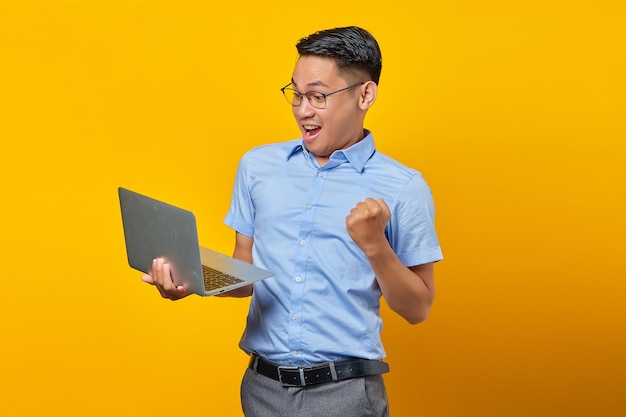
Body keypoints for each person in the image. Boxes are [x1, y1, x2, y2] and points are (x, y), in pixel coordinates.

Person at [143, 26, 443, 417]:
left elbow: (417, 308)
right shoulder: (257, 166)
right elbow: (246, 275)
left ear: (365, 95)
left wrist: (374, 245)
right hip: (262, 389)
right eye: (297, 94)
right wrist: (189, 280)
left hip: (345, 395)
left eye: (318, 96)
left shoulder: (403, 186)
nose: (303, 110)